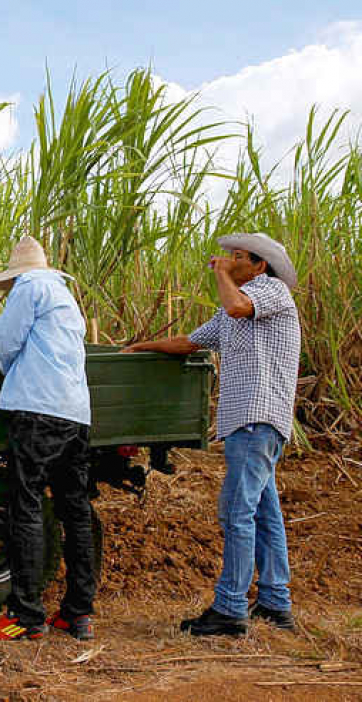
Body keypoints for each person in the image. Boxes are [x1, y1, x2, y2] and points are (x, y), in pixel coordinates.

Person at [122, 232, 300, 636]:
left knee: (235, 512)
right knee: (263, 513)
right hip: (246, 425)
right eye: (228, 257)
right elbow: (188, 342)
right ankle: (275, 602)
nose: (228, 261)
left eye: (238, 257)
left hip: (258, 421)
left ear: (259, 266)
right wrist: (141, 347)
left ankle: (230, 609)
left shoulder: (270, 291)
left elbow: (237, 306)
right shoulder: (231, 313)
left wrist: (222, 275)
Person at [0, 236, 97, 642]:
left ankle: (26, 615)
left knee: (25, 505)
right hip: (76, 413)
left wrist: (13, 373)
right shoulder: (63, 294)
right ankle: (78, 614)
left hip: (38, 412)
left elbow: (7, 344)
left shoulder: (29, 287)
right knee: (75, 511)